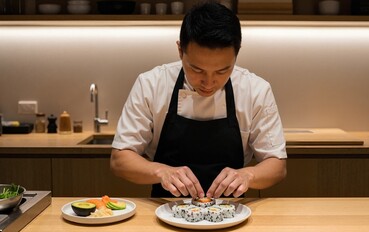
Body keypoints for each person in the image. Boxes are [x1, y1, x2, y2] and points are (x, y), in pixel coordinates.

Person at [110, 1, 287, 198]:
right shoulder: (151, 84)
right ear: (180, 50)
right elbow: (119, 160)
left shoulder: (255, 90)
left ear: (237, 54)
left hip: (233, 212)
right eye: (196, 69)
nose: (209, 82)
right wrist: (161, 171)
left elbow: (277, 165)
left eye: (222, 70)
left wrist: (248, 175)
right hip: (165, 209)